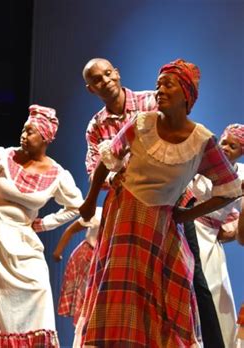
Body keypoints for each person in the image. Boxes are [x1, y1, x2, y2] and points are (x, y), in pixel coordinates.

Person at [74, 59, 242, 347]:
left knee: (181, 283)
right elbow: (101, 163)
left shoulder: (198, 138)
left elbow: (228, 189)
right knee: (121, 286)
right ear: (91, 89)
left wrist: (189, 213)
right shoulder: (127, 123)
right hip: (125, 211)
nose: (160, 90)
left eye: (168, 85)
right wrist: (90, 202)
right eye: (159, 84)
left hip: (166, 215)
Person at [0, 105, 84, 347]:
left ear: (45, 138)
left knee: (37, 285)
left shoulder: (58, 175)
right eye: (23, 130)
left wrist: (42, 224)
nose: (23, 135)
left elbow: (76, 207)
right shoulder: (4, 156)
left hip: (21, 234)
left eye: (30, 132)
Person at [186, 123, 244, 347]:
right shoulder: (203, 162)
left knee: (213, 293)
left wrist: (231, 227)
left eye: (234, 146)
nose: (227, 148)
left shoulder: (241, 175)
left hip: (210, 240)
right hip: (188, 228)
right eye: (224, 143)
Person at [53, 208, 101, 326]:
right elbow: (71, 230)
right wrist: (57, 252)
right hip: (86, 257)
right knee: (84, 302)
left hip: (101, 259)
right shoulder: (97, 214)